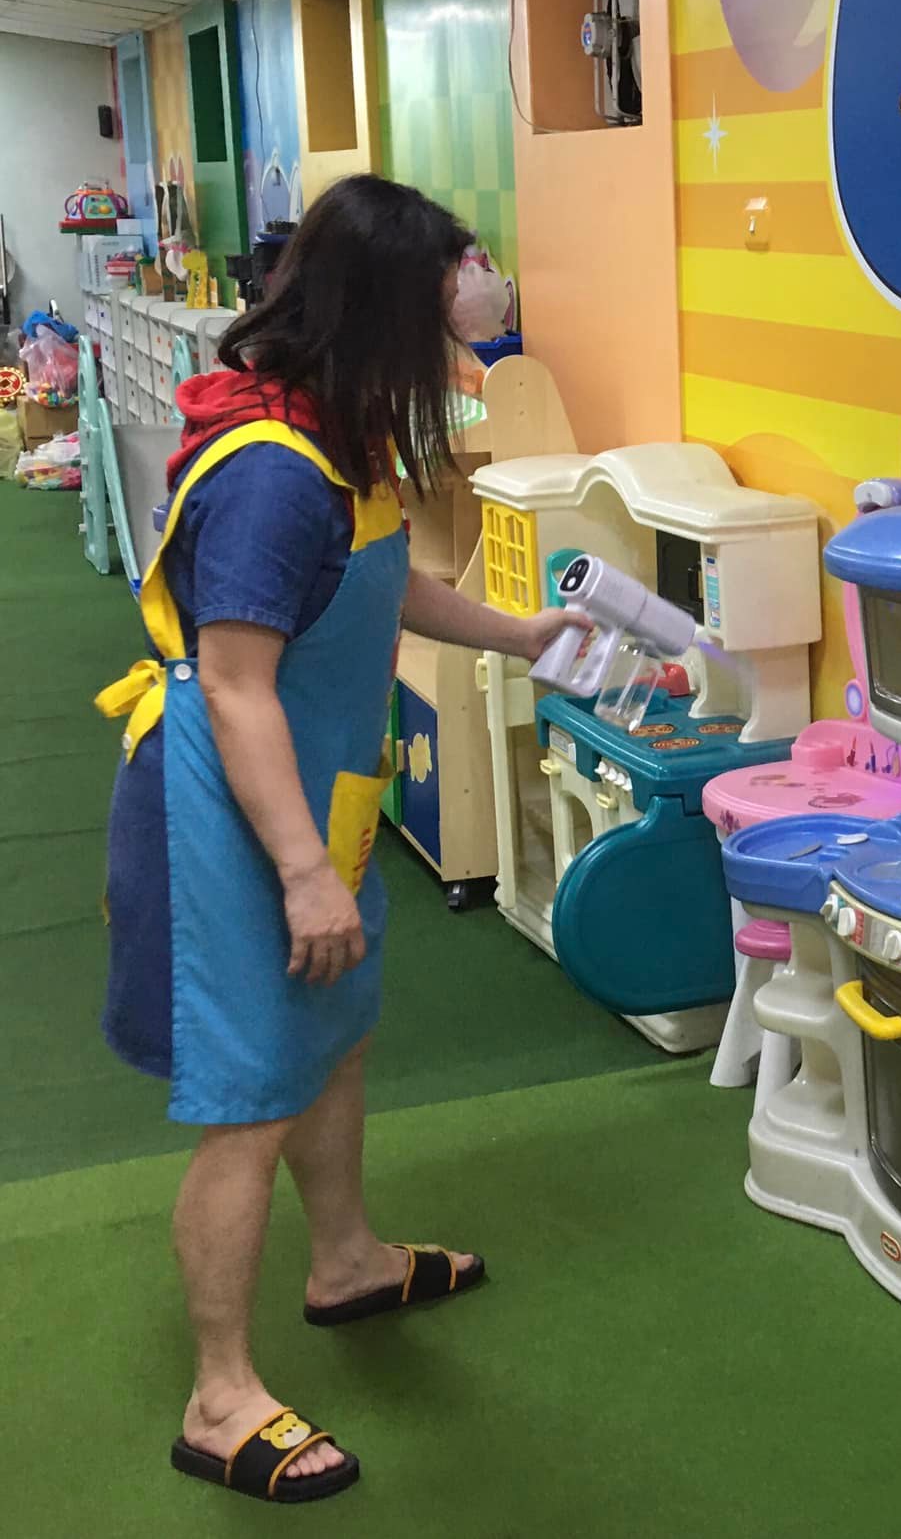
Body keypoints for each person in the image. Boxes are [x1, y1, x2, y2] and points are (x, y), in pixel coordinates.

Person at [96, 176, 585, 1504]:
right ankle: (218, 1396)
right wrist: (305, 871)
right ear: (382, 317)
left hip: (322, 796)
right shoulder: (270, 470)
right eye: (444, 314)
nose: (459, 345)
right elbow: (237, 684)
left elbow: (380, 582)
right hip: (232, 815)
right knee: (250, 1097)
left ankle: (348, 1259)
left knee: (335, 1034)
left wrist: (520, 632)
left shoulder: (335, 432)